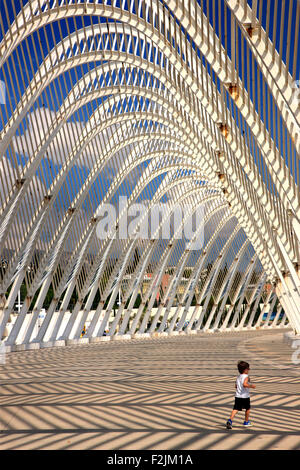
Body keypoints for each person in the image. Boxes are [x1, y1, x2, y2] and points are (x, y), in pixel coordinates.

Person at [226, 360, 256, 429]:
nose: (249, 370)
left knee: (235, 409)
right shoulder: (246, 376)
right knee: (247, 409)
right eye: (248, 368)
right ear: (245, 370)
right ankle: (246, 421)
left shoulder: (238, 377)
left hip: (238, 396)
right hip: (245, 396)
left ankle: (230, 420)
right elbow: (245, 384)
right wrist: (251, 386)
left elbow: (236, 386)